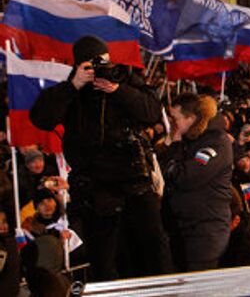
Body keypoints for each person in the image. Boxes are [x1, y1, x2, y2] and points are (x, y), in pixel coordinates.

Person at [30, 35, 173, 281]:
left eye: (103, 62)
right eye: (91, 65)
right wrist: (74, 85)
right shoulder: (70, 89)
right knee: (105, 257)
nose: (99, 69)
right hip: (94, 186)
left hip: (133, 179)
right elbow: (41, 118)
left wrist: (119, 91)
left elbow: (152, 112)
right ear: (78, 66)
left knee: (152, 246)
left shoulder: (125, 78)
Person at [162, 93, 233, 272]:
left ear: (191, 118)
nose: (172, 123)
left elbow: (185, 177)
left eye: (175, 118)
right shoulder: (189, 141)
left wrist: (174, 146)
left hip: (205, 233)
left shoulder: (217, 143)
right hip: (183, 229)